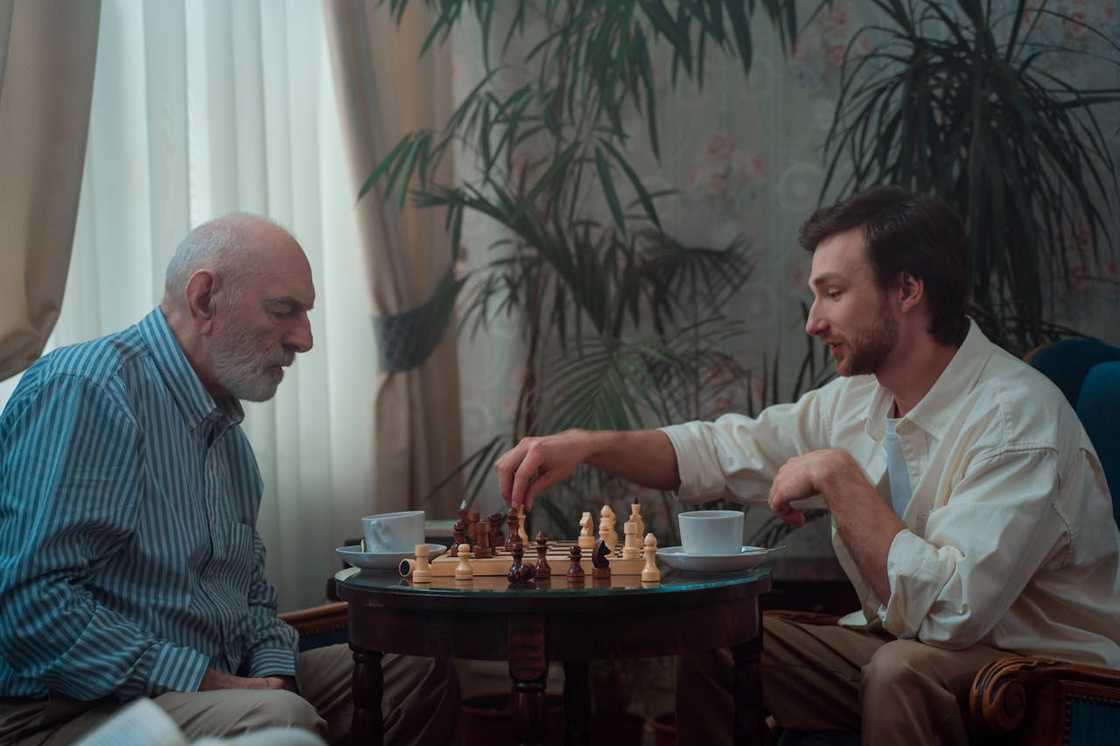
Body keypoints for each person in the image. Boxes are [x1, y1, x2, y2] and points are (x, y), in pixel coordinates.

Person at [494, 187, 1120, 745]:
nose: (814, 322)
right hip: (905, 647)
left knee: (901, 673)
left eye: (834, 293)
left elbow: (954, 616)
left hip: (1037, 673)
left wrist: (837, 477)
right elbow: (716, 451)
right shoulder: (858, 399)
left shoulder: (1015, 419)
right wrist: (586, 443)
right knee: (713, 642)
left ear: (906, 290)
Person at [0, 215, 459, 745]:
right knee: (279, 720)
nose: (305, 340)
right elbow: (31, 607)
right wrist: (205, 681)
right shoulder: (89, 391)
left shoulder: (227, 435)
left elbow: (250, 597)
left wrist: (274, 672)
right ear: (203, 300)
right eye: (284, 310)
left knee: (414, 672)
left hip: (210, 681)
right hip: (71, 710)